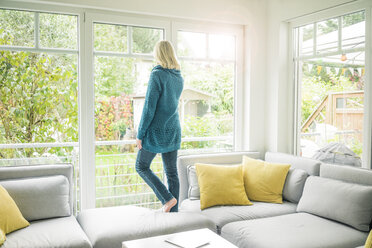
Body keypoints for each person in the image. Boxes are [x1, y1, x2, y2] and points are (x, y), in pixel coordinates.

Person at [135, 40, 184, 213]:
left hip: (157, 131)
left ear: (158, 54)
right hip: (174, 129)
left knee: (141, 166)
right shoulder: (178, 76)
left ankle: (167, 199)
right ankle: (174, 213)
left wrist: (140, 134)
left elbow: (149, 108)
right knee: (172, 173)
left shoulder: (157, 75)